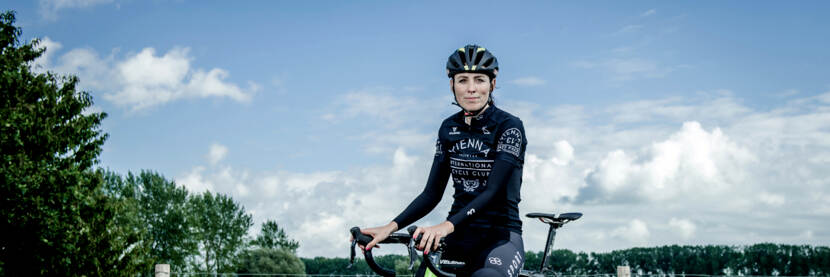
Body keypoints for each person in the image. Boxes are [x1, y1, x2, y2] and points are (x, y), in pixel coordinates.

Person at [357, 44, 527, 277]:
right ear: (452, 85)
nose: (471, 89)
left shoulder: (509, 126)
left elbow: (493, 191)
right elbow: (431, 194)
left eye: (479, 80)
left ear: (492, 85)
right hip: (457, 238)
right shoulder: (449, 128)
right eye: (462, 80)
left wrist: (444, 226)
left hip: (500, 238)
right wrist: (389, 227)